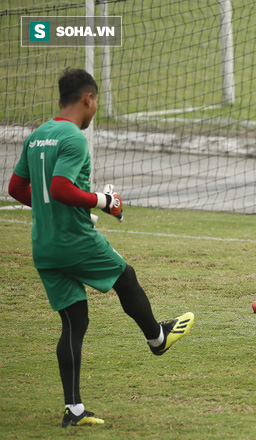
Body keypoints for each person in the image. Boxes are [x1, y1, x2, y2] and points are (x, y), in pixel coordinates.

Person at [7, 68, 194, 427]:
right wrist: (103, 201)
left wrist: (52, 207)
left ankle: (73, 410)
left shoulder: (37, 136)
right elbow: (61, 187)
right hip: (75, 241)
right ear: (87, 99)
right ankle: (157, 338)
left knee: (74, 322)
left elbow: (16, 189)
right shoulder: (74, 138)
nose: (96, 108)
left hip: (44, 246)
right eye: (97, 102)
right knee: (126, 277)